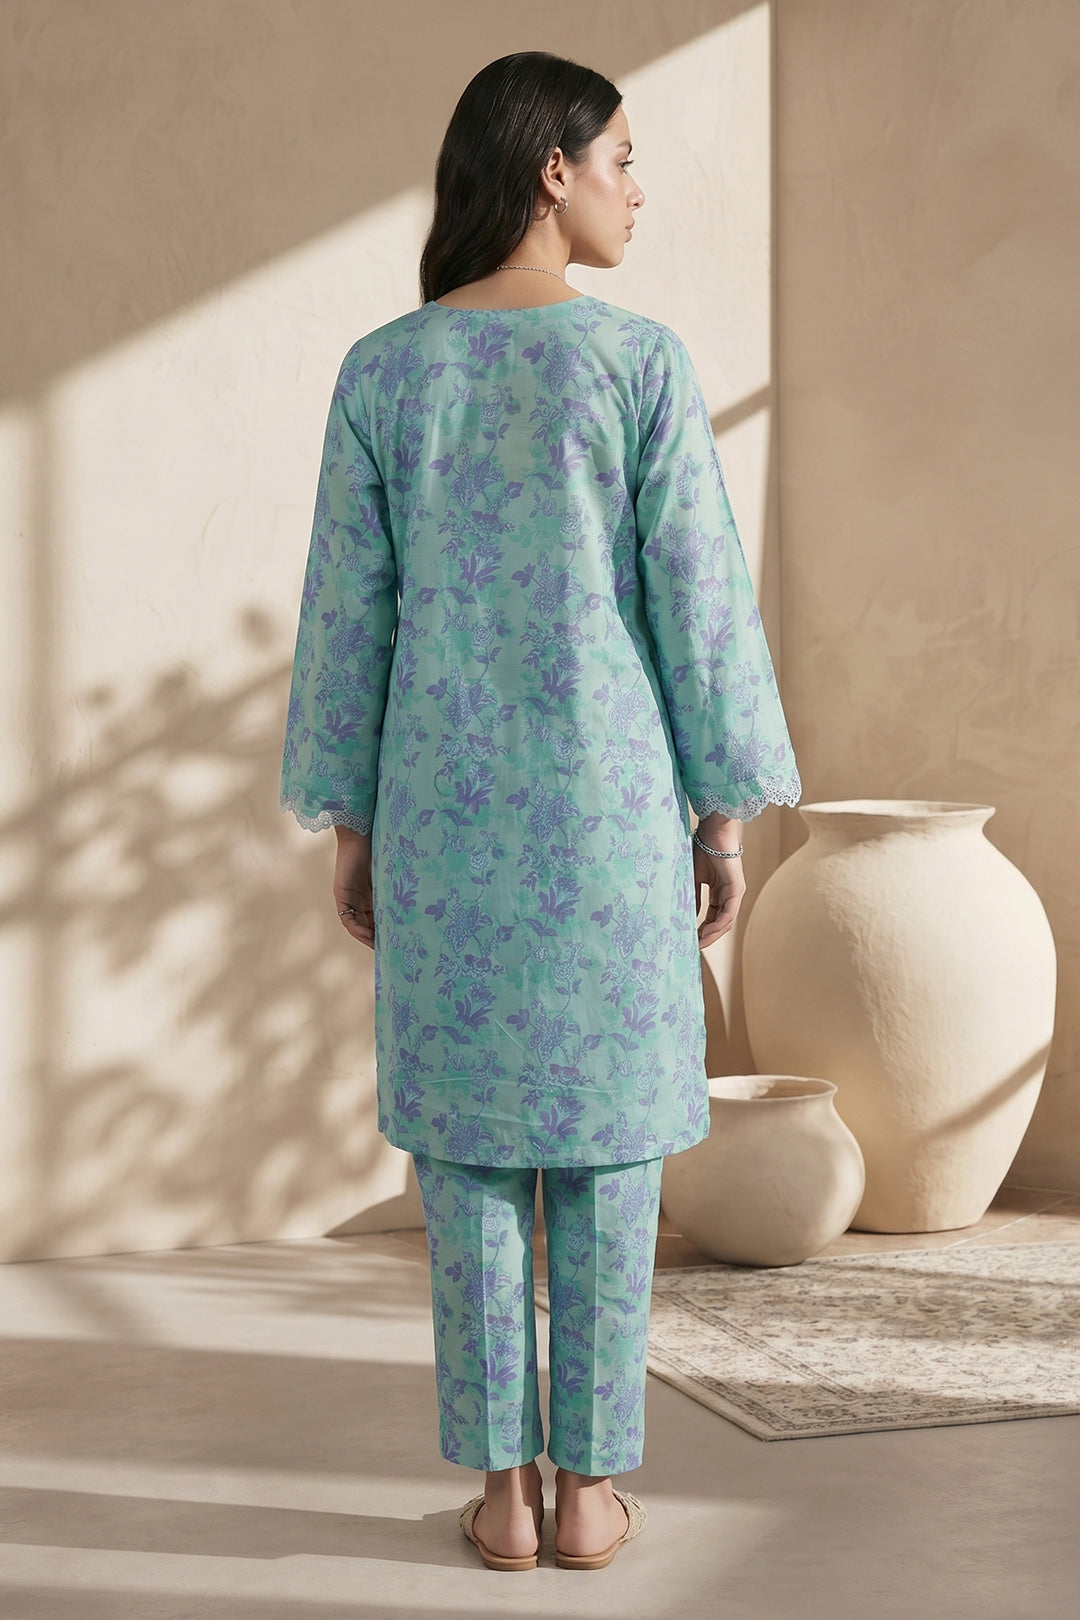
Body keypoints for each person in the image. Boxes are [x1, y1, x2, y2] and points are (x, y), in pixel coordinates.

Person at [279, 50, 802, 1572]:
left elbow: (348, 622)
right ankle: (590, 1498)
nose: (640, 190)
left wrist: (353, 827)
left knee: (470, 1156)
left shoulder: (386, 372)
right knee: (607, 1155)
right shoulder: (638, 366)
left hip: (442, 827)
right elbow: (700, 607)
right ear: (551, 169)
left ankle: (502, 1498)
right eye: (623, 159)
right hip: (608, 822)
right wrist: (721, 820)